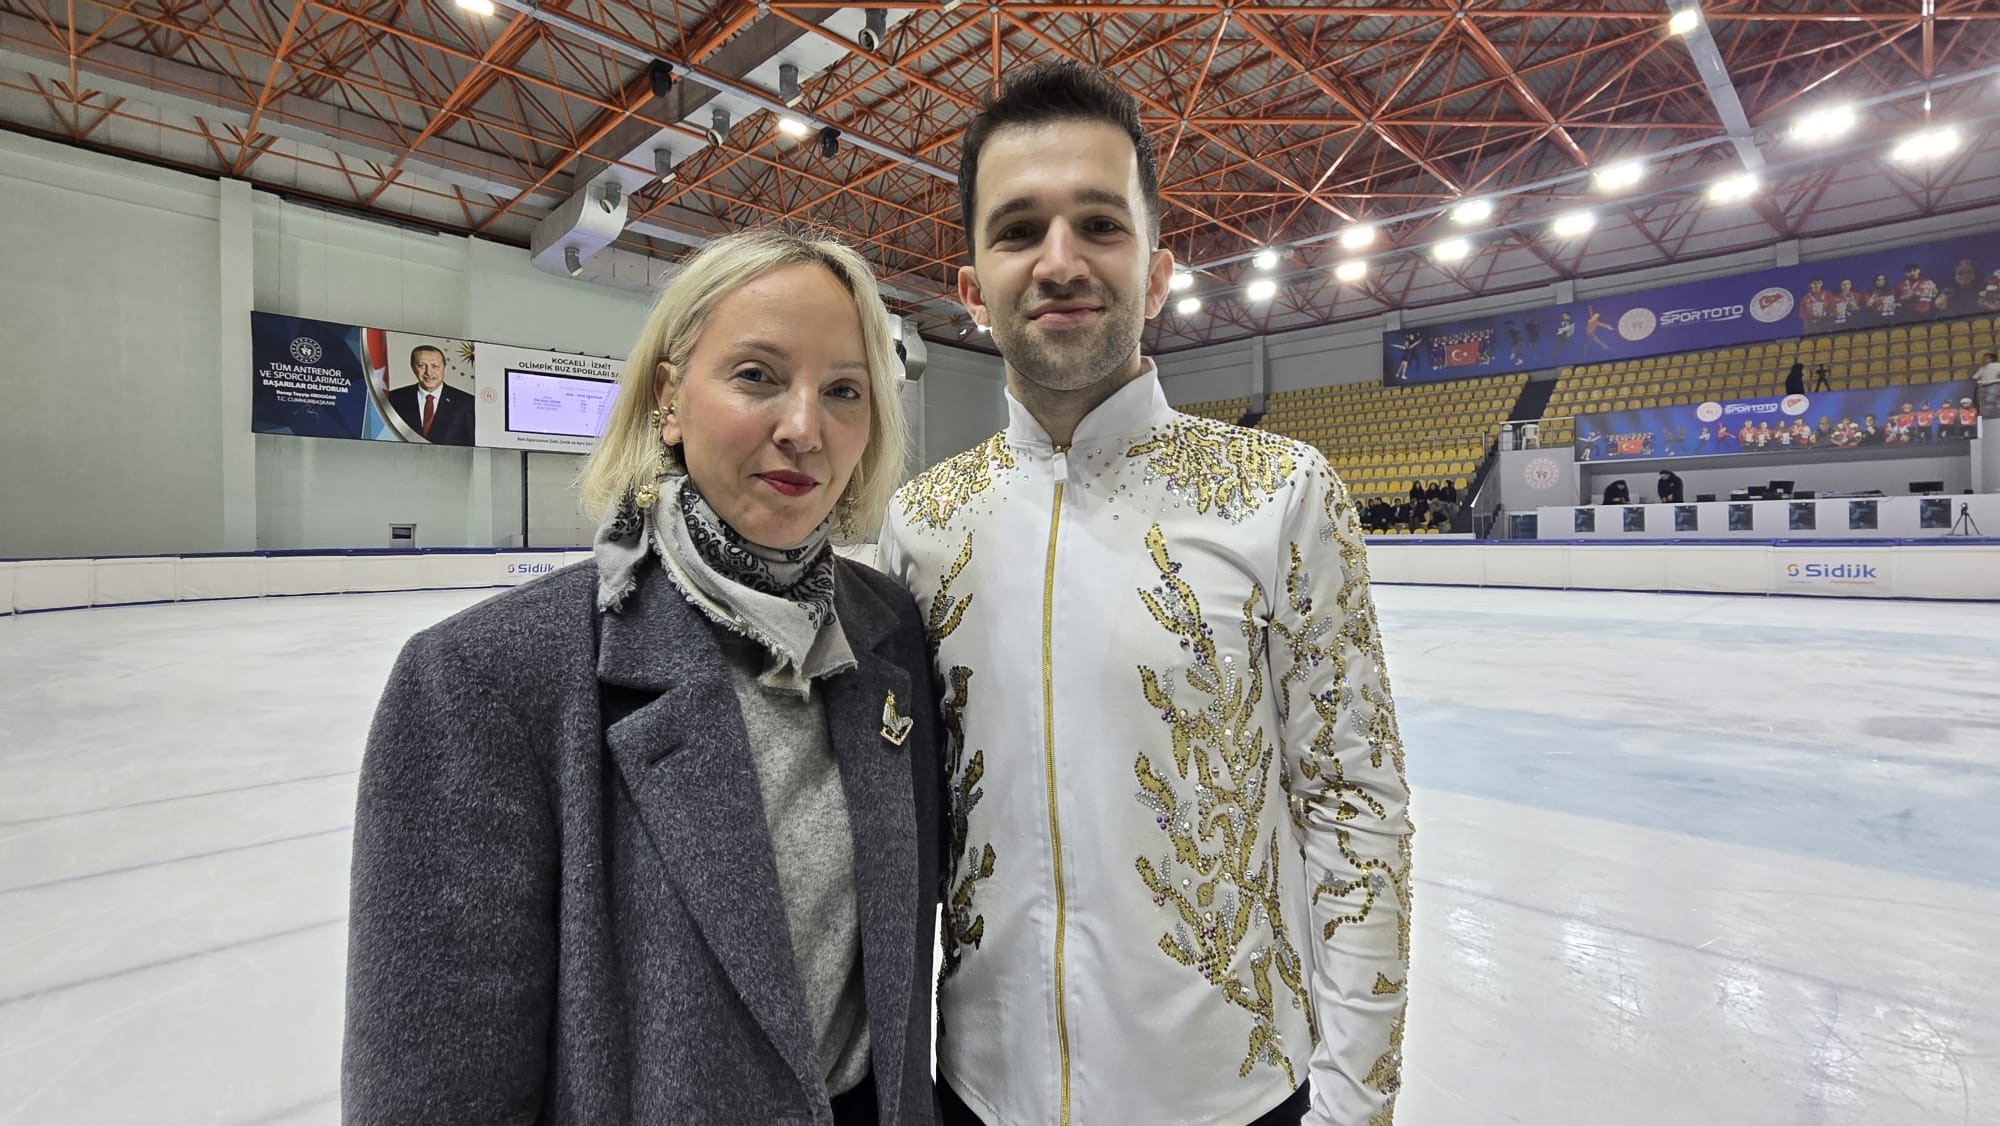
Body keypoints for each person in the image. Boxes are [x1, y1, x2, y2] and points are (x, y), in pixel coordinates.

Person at [876, 62, 1412, 1126]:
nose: (1059, 260)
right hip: (980, 1095)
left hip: (1232, 1099)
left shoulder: (1279, 494)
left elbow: (1354, 810)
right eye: (1018, 228)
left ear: (1157, 272)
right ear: (972, 289)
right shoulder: (925, 524)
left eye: (1098, 225)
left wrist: (1353, 1106)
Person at [343, 230, 945, 1125]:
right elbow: (432, 1093)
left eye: (844, 391)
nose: (803, 428)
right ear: (669, 398)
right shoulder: (483, 680)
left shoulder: (889, 634)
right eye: (756, 375)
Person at [387, 344, 476, 445]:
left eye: (435, 366)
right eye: (421, 366)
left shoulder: (467, 402)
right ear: (413, 368)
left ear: (445, 368)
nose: (428, 372)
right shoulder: (394, 399)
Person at [1974, 351, 2000, 416]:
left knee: (1990, 401)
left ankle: (1992, 416)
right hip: (1982, 386)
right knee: (1982, 403)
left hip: (1993, 385)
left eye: (1985, 358)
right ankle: (1985, 416)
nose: (1983, 359)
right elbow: (1975, 377)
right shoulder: (1982, 368)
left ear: (1990, 359)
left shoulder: (1997, 365)